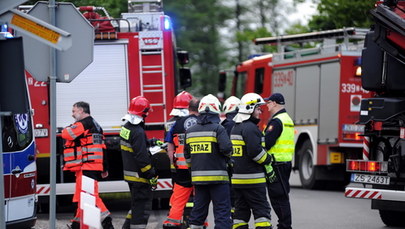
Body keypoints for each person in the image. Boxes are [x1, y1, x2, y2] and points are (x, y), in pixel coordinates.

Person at [62, 101, 114, 229]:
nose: (72, 114)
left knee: (89, 196)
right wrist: (104, 166)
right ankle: (77, 224)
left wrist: (69, 126)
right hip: (91, 166)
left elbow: (65, 134)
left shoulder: (83, 124)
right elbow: (103, 147)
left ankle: (105, 218)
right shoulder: (96, 125)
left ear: (81, 110)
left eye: (74, 111)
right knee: (82, 196)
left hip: (87, 166)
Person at [184, 94, 233, 229]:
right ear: (216, 109)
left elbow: (187, 156)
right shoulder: (218, 128)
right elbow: (227, 149)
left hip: (199, 179)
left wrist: (193, 169)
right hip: (218, 180)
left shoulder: (190, 131)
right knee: (222, 213)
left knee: (198, 213)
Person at [231, 93, 275, 229]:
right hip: (253, 181)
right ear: (250, 109)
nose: (260, 112)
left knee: (240, 214)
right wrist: (268, 159)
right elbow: (255, 152)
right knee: (261, 212)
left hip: (238, 181)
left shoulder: (235, 127)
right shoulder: (250, 128)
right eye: (258, 109)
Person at [120, 96, 158, 229]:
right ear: (144, 112)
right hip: (140, 177)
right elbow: (141, 156)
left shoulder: (126, 127)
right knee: (141, 209)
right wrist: (151, 174)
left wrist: (151, 142)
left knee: (136, 206)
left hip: (131, 176)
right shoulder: (138, 131)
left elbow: (135, 145)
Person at [163, 98, 199, 229]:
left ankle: (172, 223)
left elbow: (169, 146)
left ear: (188, 109)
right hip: (199, 169)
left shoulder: (177, 124)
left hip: (182, 169)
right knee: (200, 199)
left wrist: (173, 161)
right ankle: (199, 224)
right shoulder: (203, 123)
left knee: (178, 199)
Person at [263, 93, 294, 229]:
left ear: (274, 103)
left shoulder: (276, 121)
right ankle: (284, 225)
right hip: (285, 163)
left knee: (278, 198)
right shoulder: (286, 118)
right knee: (282, 197)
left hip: (276, 165)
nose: (267, 105)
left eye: (268, 102)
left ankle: (284, 226)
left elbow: (267, 143)